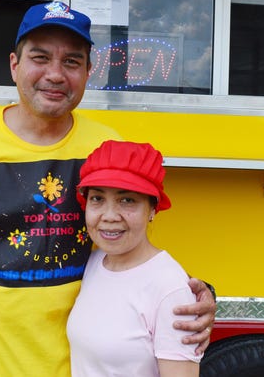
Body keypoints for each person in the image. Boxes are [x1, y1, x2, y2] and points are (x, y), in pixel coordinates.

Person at [0, 0, 216, 377]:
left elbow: (125, 249)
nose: (55, 74)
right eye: (40, 57)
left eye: (71, 61)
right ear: (14, 65)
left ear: (87, 72)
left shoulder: (105, 147)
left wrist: (190, 295)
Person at [68, 140, 202, 376]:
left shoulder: (170, 289)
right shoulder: (95, 261)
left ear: (152, 209)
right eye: (97, 199)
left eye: (127, 200)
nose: (109, 216)